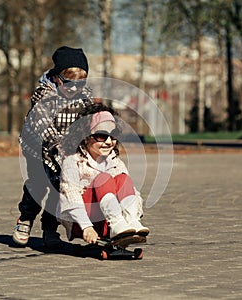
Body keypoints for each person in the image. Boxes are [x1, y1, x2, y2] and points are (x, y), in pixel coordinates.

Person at [13, 46, 95, 248]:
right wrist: (61, 147)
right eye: (69, 82)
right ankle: (25, 218)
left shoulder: (84, 96)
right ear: (57, 77)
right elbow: (44, 129)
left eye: (80, 83)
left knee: (61, 188)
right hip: (38, 149)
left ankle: (50, 228)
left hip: (67, 151)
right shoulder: (43, 96)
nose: (75, 88)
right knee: (39, 185)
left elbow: (90, 119)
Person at [58, 103, 149, 245]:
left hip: (111, 222)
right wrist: (86, 227)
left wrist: (133, 216)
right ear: (85, 136)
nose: (108, 142)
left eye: (113, 136)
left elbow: (132, 192)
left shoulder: (115, 162)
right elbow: (70, 196)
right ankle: (117, 223)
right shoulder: (73, 161)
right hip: (84, 221)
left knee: (123, 178)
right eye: (101, 136)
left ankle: (130, 222)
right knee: (104, 179)